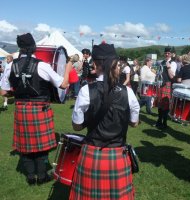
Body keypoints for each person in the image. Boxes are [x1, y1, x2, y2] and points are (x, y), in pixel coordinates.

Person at [70, 42, 140, 200]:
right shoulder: (128, 92)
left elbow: (77, 126)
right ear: (116, 64)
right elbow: (134, 123)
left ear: (95, 63)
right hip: (118, 157)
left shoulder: (86, 90)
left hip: (92, 155)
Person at [0, 33, 72, 185]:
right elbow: (64, 85)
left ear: (20, 48)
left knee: (25, 146)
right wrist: (67, 69)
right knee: (41, 146)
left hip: (21, 109)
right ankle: (42, 175)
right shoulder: (43, 65)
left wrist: (19, 91)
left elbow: (3, 92)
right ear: (34, 47)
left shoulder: (10, 66)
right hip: (40, 109)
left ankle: (31, 176)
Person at [153, 47, 176, 129]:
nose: (167, 54)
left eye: (168, 53)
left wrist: (168, 67)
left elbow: (172, 76)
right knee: (159, 104)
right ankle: (159, 121)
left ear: (171, 54)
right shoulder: (162, 62)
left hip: (167, 84)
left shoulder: (173, 63)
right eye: (165, 53)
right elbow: (159, 73)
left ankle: (165, 123)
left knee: (165, 106)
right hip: (160, 84)